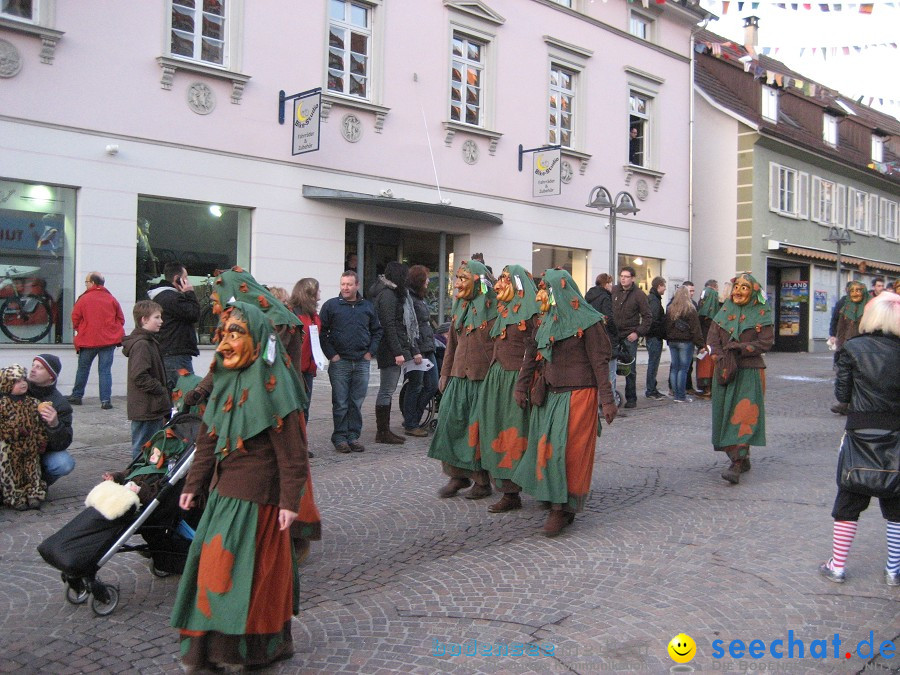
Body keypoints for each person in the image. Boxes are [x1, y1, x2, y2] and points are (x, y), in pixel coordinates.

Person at [171, 301, 309, 670]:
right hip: (223, 495)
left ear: (258, 339)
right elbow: (208, 439)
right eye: (223, 335)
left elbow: (293, 454)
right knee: (213, 571)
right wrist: (194, 484)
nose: (225, 343)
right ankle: (206, 651)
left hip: (260, 501)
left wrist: (289, 503)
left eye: (236, 334)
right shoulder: (224, 381)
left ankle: (244, 650)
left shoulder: (277, 389)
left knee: (249, 577)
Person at [513, 269, 617, 536]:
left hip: (579, 395)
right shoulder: (544, 320)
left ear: (559, 291)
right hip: (549, 395)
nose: (539, 294)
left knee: (567, 453)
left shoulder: (590, 322)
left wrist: (607, 400)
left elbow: (600, 362)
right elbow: (532, 355)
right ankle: (555, 501)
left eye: (544, 289)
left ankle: (562, 509)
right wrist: (521, 386)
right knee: (546, 450)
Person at [819, 291, 900, 586]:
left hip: (860, 430)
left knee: (850, 496)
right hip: (897, 431)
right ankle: (893, 569)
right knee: (896, 502)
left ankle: (837, 565)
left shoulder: (853, 348)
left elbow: (842, 395)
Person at [428, 259, 497, 500]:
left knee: (476, 432)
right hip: (458, 376)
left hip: (482, 379)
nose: (457, 285)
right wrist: (445, 372)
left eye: (462, 279)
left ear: (478, 282)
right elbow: (452, 345)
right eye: (457, 279)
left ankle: (482, 481)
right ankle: (457, 475)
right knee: (450, 425)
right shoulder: (459, 306)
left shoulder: (494, 307)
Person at [479, 264, 540, 513]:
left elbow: (533, 353)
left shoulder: (531, 314)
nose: (499, 284)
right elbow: (485, 291)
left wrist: (521, 386)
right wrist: (484, 273)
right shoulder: (504, 309)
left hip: (516, 380)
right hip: (496, 378)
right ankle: (507, 490)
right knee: (496, 432)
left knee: (517, 436)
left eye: (505, 279)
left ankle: (519, 489)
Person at [707, 273, 774, 484]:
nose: (738, 291)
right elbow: (712, 337)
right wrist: (719, 356)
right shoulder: (725, 310)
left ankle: (736, 463)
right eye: (737, 287)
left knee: (744, 415)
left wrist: (742, 348)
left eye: (744, 288)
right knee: (724, 415)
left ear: (753, 291)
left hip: (749, 371)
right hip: (725, 371)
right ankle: (740, 458)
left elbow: (766, 342)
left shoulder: (762, 313)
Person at [320, 271, 382, 453]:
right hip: (340, 362)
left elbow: (377, 331)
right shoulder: (331, 306)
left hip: (362, 361)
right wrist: (331, 355)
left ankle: (353, 436)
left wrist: (371, 352)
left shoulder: (367, 307)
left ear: (357, 285)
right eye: (342, 284)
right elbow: (323, 333)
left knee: (356, 402)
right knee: (340, 402)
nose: (345, 288)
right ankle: (340, 438)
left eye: (349, 284)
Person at [369, 261, 413, 444]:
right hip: (389, 349)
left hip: (391, 348)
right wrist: (398, 352)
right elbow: (389, 325)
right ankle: (382, 431)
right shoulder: (388, 295)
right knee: (387, 390)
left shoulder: (388, 293)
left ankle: (384, 431)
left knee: (388, 389)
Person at [68, 271, 125, 409]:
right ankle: (105, 401)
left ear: (93, 283)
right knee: (105, 371)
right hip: (108, 341)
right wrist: (113, 331)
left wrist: (81, 329)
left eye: (86, 282)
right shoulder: (111, 299)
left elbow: (75, 318)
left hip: (88, 340)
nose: (86, 285)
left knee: (83, 369)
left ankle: (77, 396)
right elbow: (120, 319)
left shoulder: (83, 299)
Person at [122, 300, 170, 460]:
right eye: (156, 317)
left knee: (150, 448)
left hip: (151, 406)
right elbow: (139, 375)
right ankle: (136, 480)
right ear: (144, 319)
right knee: (142, 448)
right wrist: (159, 389)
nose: (161, 321)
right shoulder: (142, 344)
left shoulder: (149, 342)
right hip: (146, 407)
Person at [0, 364, 48, 510]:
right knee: (13, 473)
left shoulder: (33, 403)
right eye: (16, 381)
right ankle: (15, 497)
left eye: (23, 379)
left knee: (32, 470)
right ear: (7, 384)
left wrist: (41, 440)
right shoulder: (2, 404)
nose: (23, 383)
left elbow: (39, 424)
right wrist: (15, 430)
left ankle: (34, 494)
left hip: (30, 446)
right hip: (10, 448)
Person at [148, 261, 200, 391]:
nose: (188, 282)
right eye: (185, 278)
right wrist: (189, 293)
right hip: (176, 354)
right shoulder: (172, 298)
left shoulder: (160, 296)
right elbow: (194, 314)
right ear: (177, 279)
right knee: (183, 394)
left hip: (168, 351)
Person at [402, 265, 439, 437]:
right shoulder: (410, 299)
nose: (429, 281)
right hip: (418, 350)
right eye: (426, 278)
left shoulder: (419, 298)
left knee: (432, 385)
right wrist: (415, 350)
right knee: (416, 386)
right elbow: (410, 327)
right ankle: (411, 422)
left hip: (427, 347)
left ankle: (413, 418)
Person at [27, 354, 75, 486]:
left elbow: (62, 444)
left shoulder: (60, 404)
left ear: (51, 376)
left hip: (41, 452)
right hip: (14, 448)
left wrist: (55, 425)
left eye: (39, 367)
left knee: (64, 463)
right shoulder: (19, 388)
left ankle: (38, 485)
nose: (33, 369)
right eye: (33, 365)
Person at [612, 266, 651, 409]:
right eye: (621, 276)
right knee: (612, 367)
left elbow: (648, 317)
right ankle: (612, 397)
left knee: (630, 368)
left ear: (633, 278)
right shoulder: (615, 290)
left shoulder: (639, 294)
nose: (623, 278)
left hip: (629, 335)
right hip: (615, 335)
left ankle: (631, 398)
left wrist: (637, 332)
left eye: (626, 276)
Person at [829, 281, 869, 415]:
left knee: (862, 376)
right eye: (852, 290)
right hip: (847, 346)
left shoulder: (870, 307)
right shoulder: (845, 306)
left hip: (864, 346)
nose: (855, 293)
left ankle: (860, 403)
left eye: (858, 290)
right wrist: (838, 342)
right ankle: (844, 403)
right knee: (844, 375)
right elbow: (840, 325)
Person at [289, 278, 323, 424]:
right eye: (318, 290)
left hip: (307, 369)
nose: (320, 292)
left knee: (304, 409)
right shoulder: (293, 314)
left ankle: (300, 444)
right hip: (294, 370)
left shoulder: (312, 315)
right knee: (295, 410)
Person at [665, 287, 706, 403]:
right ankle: (681, 395)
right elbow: (695, 329)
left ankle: (675, 394)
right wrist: (700, 344)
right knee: (683, 369)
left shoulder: (670, 308)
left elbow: (666, 326)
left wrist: (668, 338)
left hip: (673, 341)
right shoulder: (690, 309)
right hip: (685, 341)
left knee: (674, 368)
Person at [585, 273, 619, 396]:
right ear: (606, 284)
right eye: (610, 283)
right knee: (610, 373)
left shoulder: (588, 297)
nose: (612, 286)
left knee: (595, 372)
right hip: (606, 338)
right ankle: (610, 401)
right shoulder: (605, 298)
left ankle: (595, 402)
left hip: (591, 339)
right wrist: (616, 334)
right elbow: (609, 319)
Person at [694, 279, 719, 398]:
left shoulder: (703, 306)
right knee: (706, 364)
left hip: (706, 342)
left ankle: (708, 388)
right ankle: (707, 388)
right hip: (707, 342)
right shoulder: (712, 296)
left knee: (707, 364)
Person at [645, 276, 667, 400]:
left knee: (653, 363)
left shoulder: (653, 299)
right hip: (654, 336)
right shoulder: (654, 300)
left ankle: (651, 388)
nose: (665, 289)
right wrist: (660, 331)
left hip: (652, 336)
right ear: (659, 286)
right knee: (653, 364)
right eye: (664, 286)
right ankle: (651, 389)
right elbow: (653, 320)